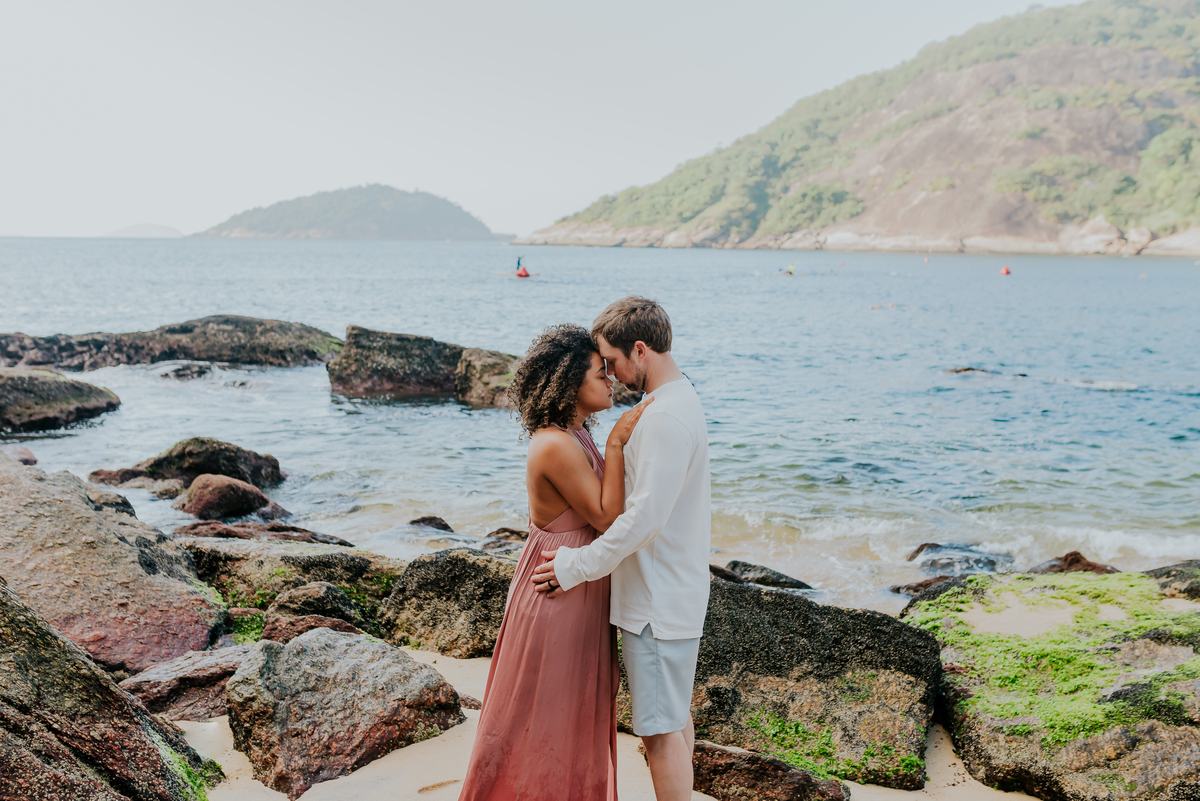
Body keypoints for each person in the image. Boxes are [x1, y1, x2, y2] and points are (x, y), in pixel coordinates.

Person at [458, 323, 652, 801]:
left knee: (573, 715)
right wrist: (617, 443)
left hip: (575, 588)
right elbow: (608, 518)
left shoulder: (576, 433)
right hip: (555, 596)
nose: (610, 381)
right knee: (546, 720)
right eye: (599, 373)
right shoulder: (554, 444)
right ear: (569, 383)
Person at [532, 297, 711, 801]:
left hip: (655, 601)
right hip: (674, 590)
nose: (609, 374)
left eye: (610, 361)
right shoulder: (681, 400)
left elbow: (643, 520)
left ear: (640, 349)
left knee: (658, 732)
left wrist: (576, 567)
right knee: (674, 720)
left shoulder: (662, 419)